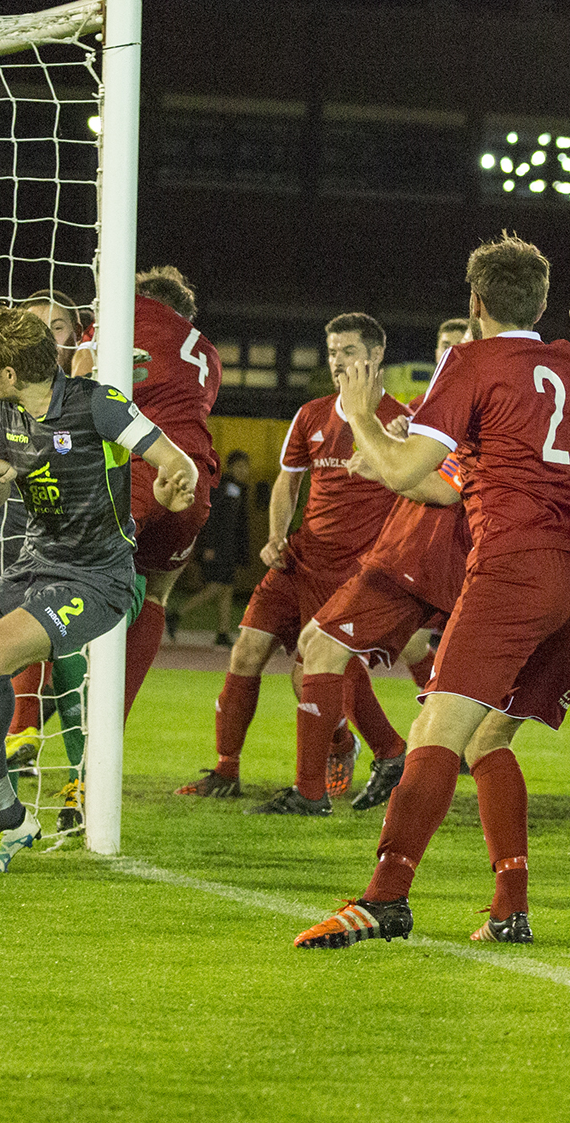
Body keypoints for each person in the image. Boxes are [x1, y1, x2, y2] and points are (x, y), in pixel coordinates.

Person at [293, 236, 570, 949]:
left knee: (433, 733)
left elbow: (412, 464)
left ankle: (386, 899)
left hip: (514, 566)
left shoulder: (470, 362)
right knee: (489, 738)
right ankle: (509, 908)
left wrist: (359, 418)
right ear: (541, 304)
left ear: (474, 305)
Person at [0, 305, 196, 872]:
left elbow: (173, 459)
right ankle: (10, 822)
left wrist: (176, 482)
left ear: (8, 372)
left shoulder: (96, 404)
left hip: (97, 579)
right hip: (34, 566)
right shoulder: (3, 412)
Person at [175, 313, 410, 802]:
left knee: (314, 674)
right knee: (245, 650)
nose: (337, 361)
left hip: (352, 571)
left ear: (376, 355)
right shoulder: (311, 415)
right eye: (332, 351)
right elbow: (288, 481)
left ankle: (359, 747)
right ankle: (226, 770)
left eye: (347, 351)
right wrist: (276, 536)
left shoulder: (401, 421)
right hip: (299, 559)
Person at [282, 447, 470, 815]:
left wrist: (378, 455)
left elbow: (444, 490)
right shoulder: (465, 421)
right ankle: (389, 753)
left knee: (322, 651)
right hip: (403, 555)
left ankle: (310, 793)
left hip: (417, 562)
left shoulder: (471, 419)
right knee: (312, 648)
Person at [73, 267, 222, 715]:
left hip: (140, 469)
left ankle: (28, 723)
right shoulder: (208, 354)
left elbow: (81, 376)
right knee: (155, 595)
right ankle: (107, 735)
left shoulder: (126, 310)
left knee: (59, 572)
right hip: (192, 483)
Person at [169, 449, 253, 647]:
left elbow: (239, 523)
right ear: (232, 467)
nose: (244, 470)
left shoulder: (240, 488)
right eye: (240, 466)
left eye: (246, 467)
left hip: (229, 547)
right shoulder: (223, 487)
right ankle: (176, 614)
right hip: (218, 547)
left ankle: (222, 632)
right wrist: (209, 546)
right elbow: (212, 519)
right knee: (216, 587)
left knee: (227, 589)